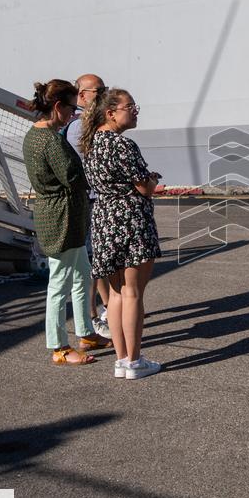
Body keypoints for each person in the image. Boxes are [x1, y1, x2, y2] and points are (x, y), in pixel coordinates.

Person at [21, 79, 112, 366]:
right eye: (72, 108)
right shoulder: (49, 139)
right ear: (57, 107)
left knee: (82, 274)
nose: (74, 114)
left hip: (61, 214)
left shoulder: (37, 135)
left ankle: (85, 331)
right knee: (59, 283)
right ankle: (58, 346)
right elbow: (72, 177)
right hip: (62, 217)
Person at [80, 89, 163, 380]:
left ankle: (121, 360)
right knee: (133, 293)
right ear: (111, 113)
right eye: (130, 106)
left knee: (115, 295)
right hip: (129, 219)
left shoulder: (91, 146)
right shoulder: (123, 145)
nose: (135, 110)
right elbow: (143, 188)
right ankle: (134, 360)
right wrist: (152, 180)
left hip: (103, 220)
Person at [64, 73, 111, 338]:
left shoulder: (89, 122)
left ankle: (106, 307)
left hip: (93, 198)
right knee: (92, 260)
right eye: (99, 90)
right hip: (90, 200)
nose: (104, 94)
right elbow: (95, 162)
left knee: (99, 258)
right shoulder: (81, 125)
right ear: (82, 95)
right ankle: (93, 317)